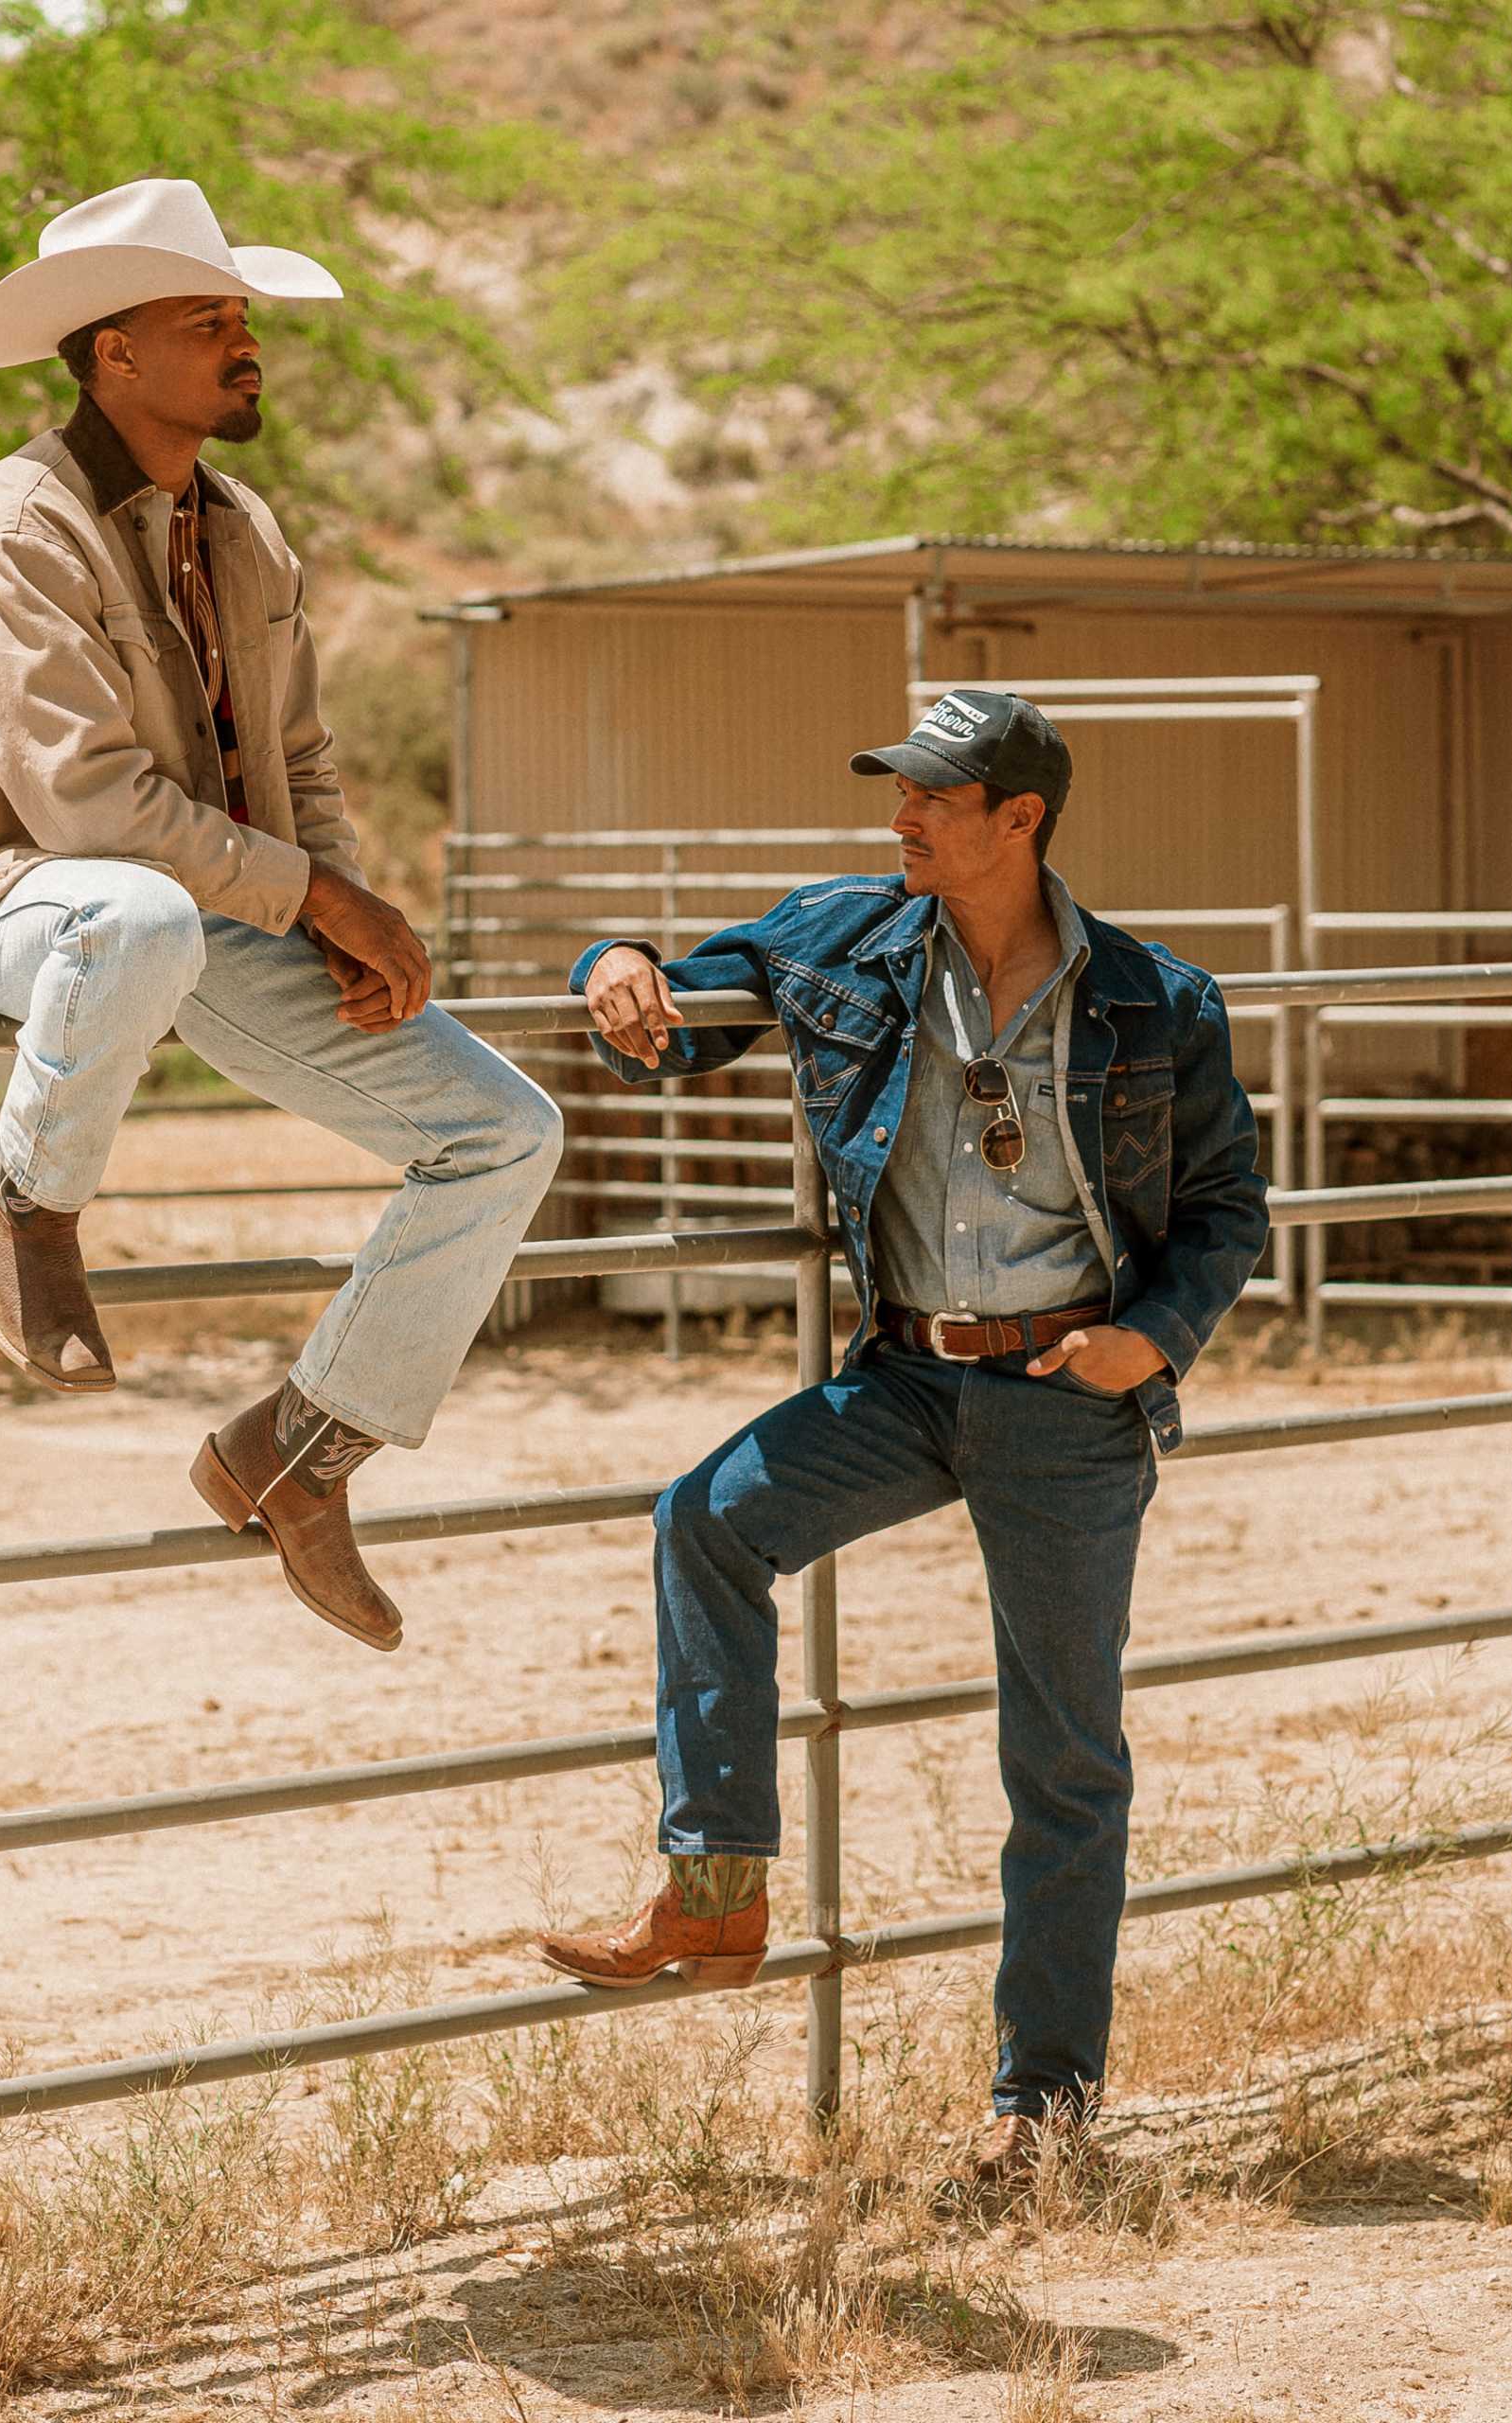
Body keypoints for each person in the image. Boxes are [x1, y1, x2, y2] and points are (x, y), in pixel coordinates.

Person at [530, 687, 1269, 2183]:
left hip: (1066, 1394)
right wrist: (611, 964)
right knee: (706, 1518)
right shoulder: (848, 934)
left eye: (933, 796)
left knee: (1063, 1762)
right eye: (899, 790)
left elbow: (1226, 1209)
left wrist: (1152, 1337)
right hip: (907, 1377)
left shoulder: (1152, 1001)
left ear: (1022, 820)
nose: (900, 817)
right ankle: (717, 1885)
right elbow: (683, 999)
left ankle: (1040, 2104)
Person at [0, 178, 563, 1653]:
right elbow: (83, 809)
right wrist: (317, 892)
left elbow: (296, 756)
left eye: (242, 314)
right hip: (21, 908)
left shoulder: (242, 527)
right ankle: (28, 1206)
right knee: (128, 922)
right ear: (112, 352)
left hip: (208, 907)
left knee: (509, 1131)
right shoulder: (21, 526)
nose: (241, 339)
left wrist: (337, 909)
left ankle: (302, 1455)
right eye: (207, 319)